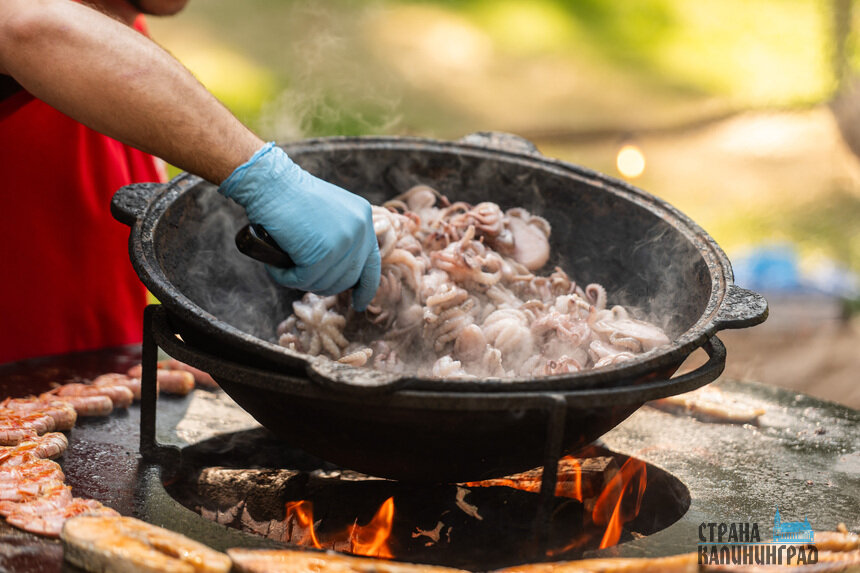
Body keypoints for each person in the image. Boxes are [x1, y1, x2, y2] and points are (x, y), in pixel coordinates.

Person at [0, 0, 381, 363]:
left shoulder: (119, 33)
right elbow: (28, 24)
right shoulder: (41, 27)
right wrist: (269, 178)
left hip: (78, 395)